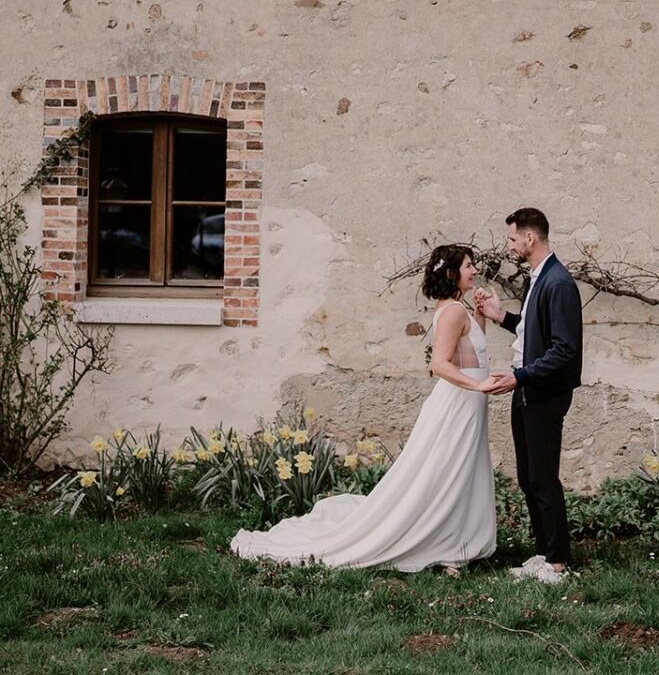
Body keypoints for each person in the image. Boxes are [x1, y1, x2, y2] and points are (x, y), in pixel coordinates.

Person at [230, 244, 496, 572]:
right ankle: (444, 544)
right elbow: (441, 365)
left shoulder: (459, 308)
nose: (475, 270)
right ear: (453, 273)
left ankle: (454, 540)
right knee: (447, 473)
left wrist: (482, 316)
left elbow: (469, 357)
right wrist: (479, 385)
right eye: (469, 265)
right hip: (459, 403)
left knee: (459, 471)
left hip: (468, 401)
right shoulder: (453, 311)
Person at [475, 207, 583, 585]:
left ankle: (557, 563)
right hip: (526, 390)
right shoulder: (539, 278)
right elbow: (533, 331)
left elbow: (564, 348)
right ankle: (542, 553)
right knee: (527, 476)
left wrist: (519, 377)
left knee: (543, 477)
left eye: (511, 238)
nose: (509, 245)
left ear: (529, 238)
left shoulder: (559, 283)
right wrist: (500, 315)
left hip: (544, 393)